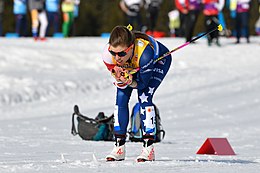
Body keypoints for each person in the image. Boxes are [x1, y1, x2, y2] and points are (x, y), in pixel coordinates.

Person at [102, 25, 172, 162]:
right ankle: (119, 147)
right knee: (121, 98)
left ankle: (148, 148)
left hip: (158, 61)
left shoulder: (145, 53)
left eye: (121, 53)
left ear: (131, 47)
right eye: (113, 53)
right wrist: (121, 77)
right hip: (133, 65)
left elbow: (142, 84)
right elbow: (116, 71)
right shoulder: (107, 55)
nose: (117, 58)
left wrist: (130, 81)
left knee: (144, 97)